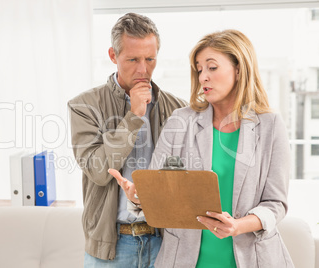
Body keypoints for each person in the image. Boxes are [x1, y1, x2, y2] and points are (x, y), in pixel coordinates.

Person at [110, 29, 294, 267]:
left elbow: (276, 204)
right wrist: (139, 195)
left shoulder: (270, 126)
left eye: (212, 67)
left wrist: (238, 226)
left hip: (253, 258)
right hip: (185, 258)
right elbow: (158, 189)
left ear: (239, 69)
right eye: (199, 69)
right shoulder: (180, 121)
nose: (203, 77)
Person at [68, 13, 187, 267]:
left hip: (163, 244)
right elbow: (99, 171)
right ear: (113, 56)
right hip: (111, 249)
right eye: (133, 59)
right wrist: (133, 116)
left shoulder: (178, 109)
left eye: (150, 59)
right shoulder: (84, 106)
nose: (143, 69)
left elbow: (187, 179)